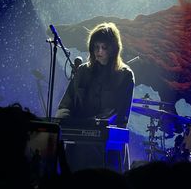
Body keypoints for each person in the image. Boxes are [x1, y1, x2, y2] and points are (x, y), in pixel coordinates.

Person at [55, 22, 135, 173]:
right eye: (96, 47)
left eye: (104, 47)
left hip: (108, 148)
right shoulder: (82, 72)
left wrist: (96, 124)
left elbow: (121, 115)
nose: (99, 51)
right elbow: (67, 103)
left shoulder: (125, 75)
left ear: (113, 49)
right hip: (78, 149)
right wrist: (61, 124)